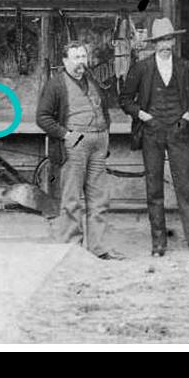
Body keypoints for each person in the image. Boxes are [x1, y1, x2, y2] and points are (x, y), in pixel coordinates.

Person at [119, 17, 189, 258]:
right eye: (161, 40)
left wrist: (185, 118)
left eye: (169, 39)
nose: (166, 44)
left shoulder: (184, 67)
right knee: (154, 189)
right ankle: (159, 242)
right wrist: (143, 115)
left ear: (174, 41)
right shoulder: (141, 68)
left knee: (186, 187)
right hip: (151, 132)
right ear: (154, 43)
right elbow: (125, 100)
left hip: (178, 132)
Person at [37, 41, 124, 260]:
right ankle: (72, 248)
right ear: (65, 61)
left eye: (83, 57)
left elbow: (102, 109)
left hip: (98, 142)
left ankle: (98, 247)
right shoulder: (56, 84)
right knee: (72, 198)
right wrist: (66, 135)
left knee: (99, 198)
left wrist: (105, 135)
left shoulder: (92, 80)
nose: (80, 62)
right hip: (74, 144)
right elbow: (42, 117)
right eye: (75, 58)